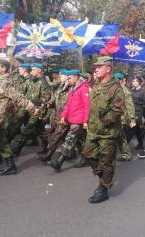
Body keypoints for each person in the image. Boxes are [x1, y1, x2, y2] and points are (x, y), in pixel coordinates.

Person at [82, 56, 125, 203]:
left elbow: (119, 109)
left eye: (99, 66)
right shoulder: (96, 85)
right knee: (87, 155)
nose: (96, 69)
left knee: (107, 162)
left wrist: (106, 122)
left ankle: (103, 189)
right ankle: (104, 175)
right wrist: (88, 120)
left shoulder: (115, 87)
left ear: (108, 69)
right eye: (96, 67)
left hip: (108, 133)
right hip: (93, 130)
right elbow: (93, 106)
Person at [49, 69, 90, 172]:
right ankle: (86, 159)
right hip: (72, 118)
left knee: (69, 139)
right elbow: (68, 105)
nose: (68, 79)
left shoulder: (83, 89)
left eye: (70, 77)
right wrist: (64, 116)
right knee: (81, 141)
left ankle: (59, 162)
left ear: (76, 77)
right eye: (67, 77)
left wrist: (85, 120)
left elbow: (87, 106)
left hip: (79, 120)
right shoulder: (72, 89)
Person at [114, 73, 135, 162]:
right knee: (120, 136)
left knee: (117, 136)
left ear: (120, 80)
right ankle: (126, 154)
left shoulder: (124, 90)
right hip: (113, 117)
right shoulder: (112, 89)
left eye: (115, 79)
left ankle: (125, 154)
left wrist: (132, 119)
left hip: (121, 117)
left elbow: (130, 105)